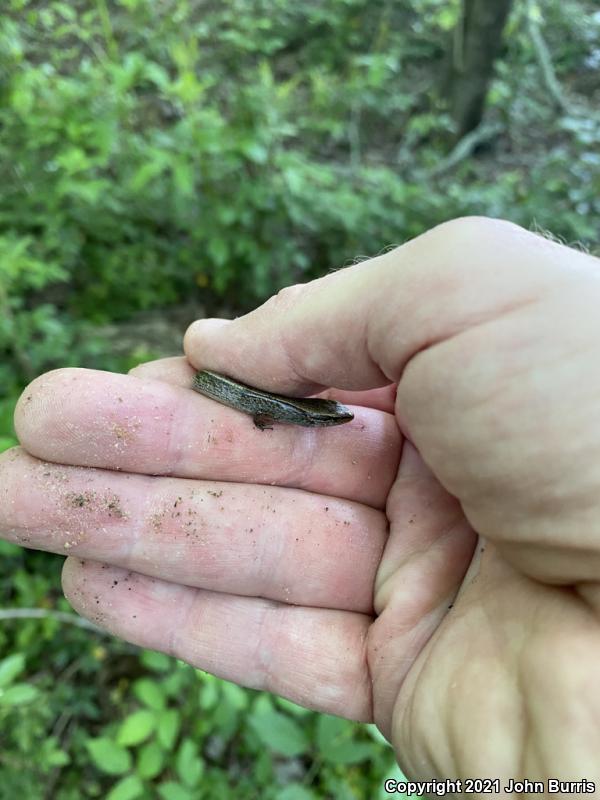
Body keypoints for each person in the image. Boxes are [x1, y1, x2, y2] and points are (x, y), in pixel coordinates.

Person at [1, 217, 599, 789]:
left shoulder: (308, 418)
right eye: (334, 416)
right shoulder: (298, 415)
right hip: (217, 389)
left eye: (334, 417)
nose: (338, 419)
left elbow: (282, 411)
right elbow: (270, 410)